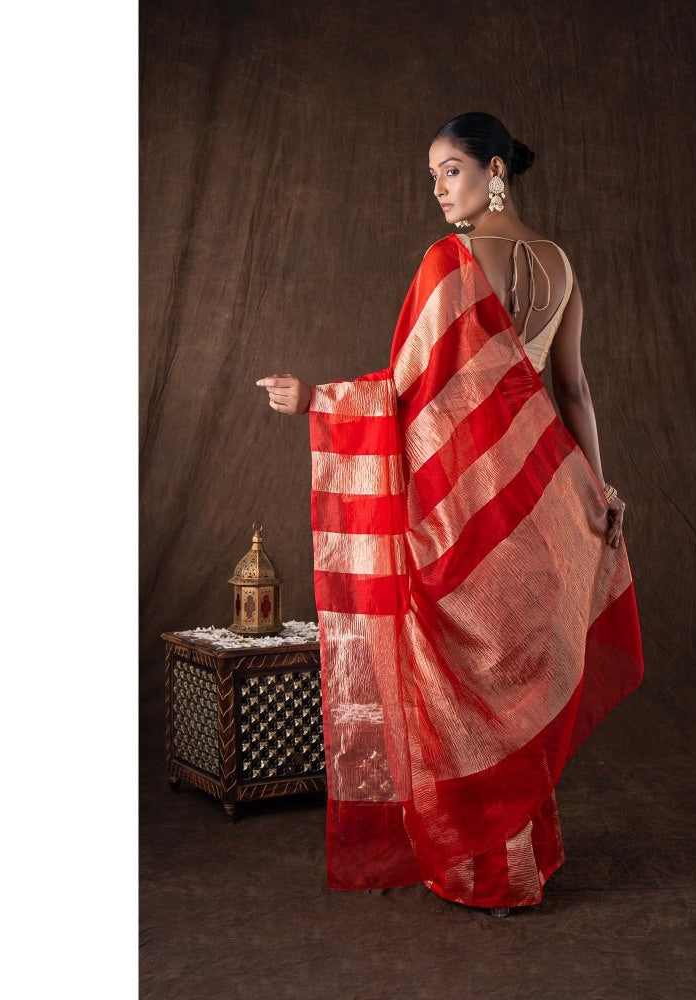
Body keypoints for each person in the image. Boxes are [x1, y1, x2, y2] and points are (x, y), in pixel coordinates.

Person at [255, 113, 644, 918]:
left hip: (473, 509)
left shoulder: (451, 261)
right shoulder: (561, 265)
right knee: (517, 681)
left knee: (470, 685)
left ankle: (483, 868)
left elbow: (404, 392)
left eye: (451, 170)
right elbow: (574, 391)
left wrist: (315, 400)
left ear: (495, 170)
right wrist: (601, 494)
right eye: (432, 176)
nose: (438, 189)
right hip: (549, 499)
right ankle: (519, 859)